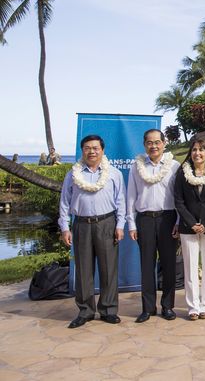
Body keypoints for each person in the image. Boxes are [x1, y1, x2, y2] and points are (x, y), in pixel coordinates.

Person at [58, 134, 126, 328]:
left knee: (108, 270)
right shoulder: (73, 174)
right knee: (84, 271)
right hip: (81, 225)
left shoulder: (113, 173)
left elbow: (120, 200)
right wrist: (65, 227)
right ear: (82, 151)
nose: (91, 151)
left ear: (102, 150)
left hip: (107, 223)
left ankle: (108, 310)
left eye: (95, 148)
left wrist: (120, 225)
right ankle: (85, 311)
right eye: (87, 148)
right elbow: (64, 202)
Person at [126, 129, 180, 323]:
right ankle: (148, 308)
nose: (154, 146)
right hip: (145, 219)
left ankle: (167, 306)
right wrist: (131, 223)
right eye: (150, 143)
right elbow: (131, 195)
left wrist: (179, 222)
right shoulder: (136, 167)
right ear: (144, 145)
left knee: (168, 265)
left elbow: (179, 197)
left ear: (164, 144)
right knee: (147, 265)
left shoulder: (174, 166)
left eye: (157, 142)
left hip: (168, 219)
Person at [174, 138, 205, 320]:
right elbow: (178, 201)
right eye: (194, 150)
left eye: (201, 150)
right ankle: (193, 307)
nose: (197, 153)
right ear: (191, 152)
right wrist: (191, 223)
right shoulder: (182, 173)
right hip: (188, 227)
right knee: (190, 267)